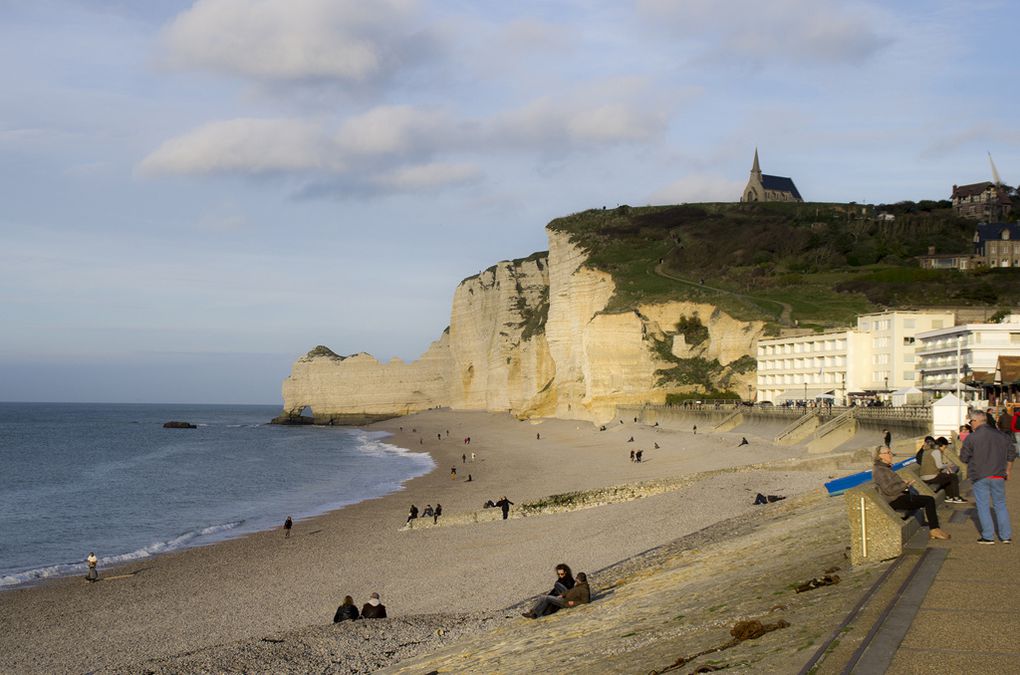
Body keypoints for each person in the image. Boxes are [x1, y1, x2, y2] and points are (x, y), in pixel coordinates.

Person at [961, 410, 1016, 544]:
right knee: (1000, 505)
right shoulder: (1002, 435)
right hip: (998, 474)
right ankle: (1005, 536)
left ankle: (988, 536)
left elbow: (963, 457)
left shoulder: (972, 437)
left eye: (971, 422)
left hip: (980, 475)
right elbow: (1011, 453)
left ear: (976, 421)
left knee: (983, 506)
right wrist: (1008, 470)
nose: (970, 425)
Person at [872, 447, 949, 540]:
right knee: (929, 500)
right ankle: (934, 530)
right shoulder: (880, 470)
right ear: (880, 456)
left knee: (926, 499)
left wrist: (904, 484)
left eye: (890, 452)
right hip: (894, 500)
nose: (891, 454)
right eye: (888, 453)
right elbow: (889, 490)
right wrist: (904, 484)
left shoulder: (884, 468)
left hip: (898, 496)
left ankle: (935, 528)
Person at [523, 572, 591, 619]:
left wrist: (574, 603)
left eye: (577, 578)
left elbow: (586, 601)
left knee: (544, 597)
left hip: (566, 602)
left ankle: (534, 613)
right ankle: (534, 612)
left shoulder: (584, 590)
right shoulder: (579, 585)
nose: (576, 579)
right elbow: (569, 591)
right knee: (548, 596)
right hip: (564, 598)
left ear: (579, 580)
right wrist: (562, 595)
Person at [918, 437, 965, 503]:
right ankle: (956, 497)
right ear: (942, 445)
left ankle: (949, 497)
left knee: (947, 476)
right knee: (953, 476)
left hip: (925, 475)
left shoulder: (928, 450)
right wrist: (948, 465)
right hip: (931, 476)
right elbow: (939, 466)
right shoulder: (936, 451)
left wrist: (946, 467)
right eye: (944, 447)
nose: (944, 449)